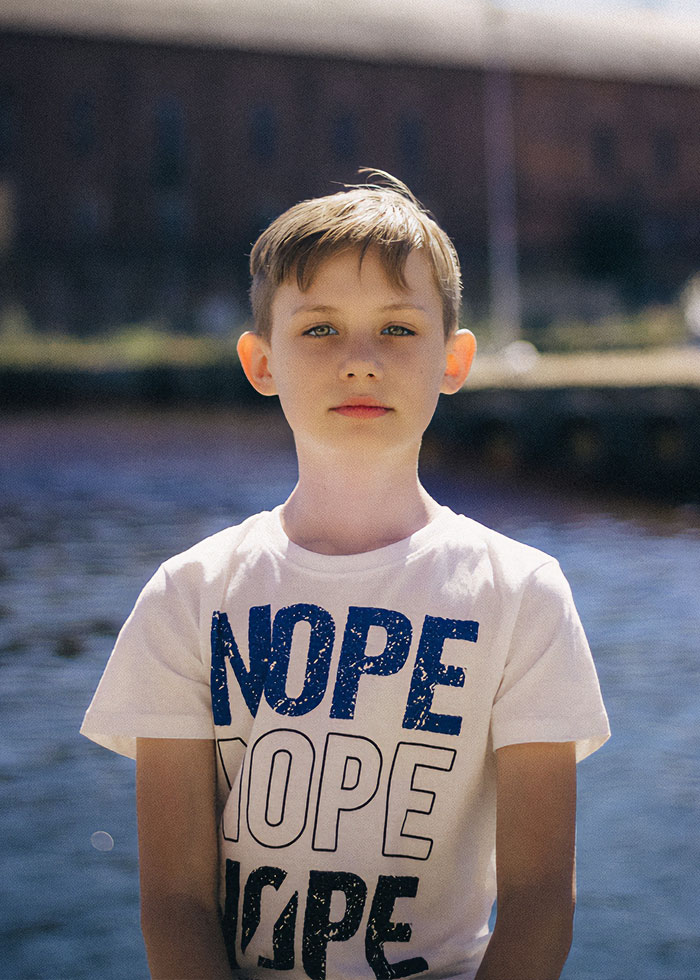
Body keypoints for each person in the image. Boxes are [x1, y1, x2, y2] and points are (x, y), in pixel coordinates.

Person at [81, 171, 610, 980]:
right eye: (320, 330)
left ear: (453, 359)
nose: (360, 362)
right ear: (260, 361)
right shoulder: (189, 596)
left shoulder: (521, 595)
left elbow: (541, 899)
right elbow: (176, 903)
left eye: (398, 330)